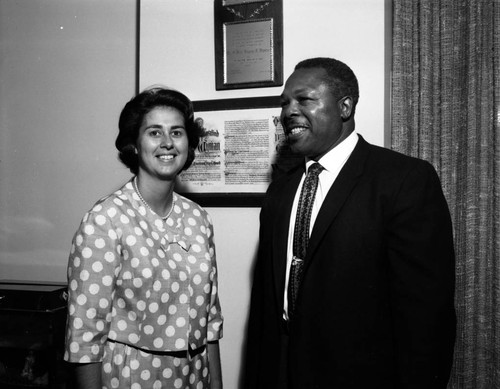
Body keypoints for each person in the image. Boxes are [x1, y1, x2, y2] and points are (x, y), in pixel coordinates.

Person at [244, 57, 456, 389]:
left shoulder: (403, 181)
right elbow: (264, 308)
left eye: (305, 99)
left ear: (344, 107)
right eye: (284, 103)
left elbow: (426, 317)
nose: (288, 112)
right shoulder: (281, 190)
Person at [64, 87, 223, 389]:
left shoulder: (198, 218)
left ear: (189, 145)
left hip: (194, 377)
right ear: (134, 145)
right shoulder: (105, 220)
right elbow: (84, 336)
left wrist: (216, 383)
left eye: (176, 132)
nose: (167, 143)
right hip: (131, 377)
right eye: (154, 132)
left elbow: (210, 322)